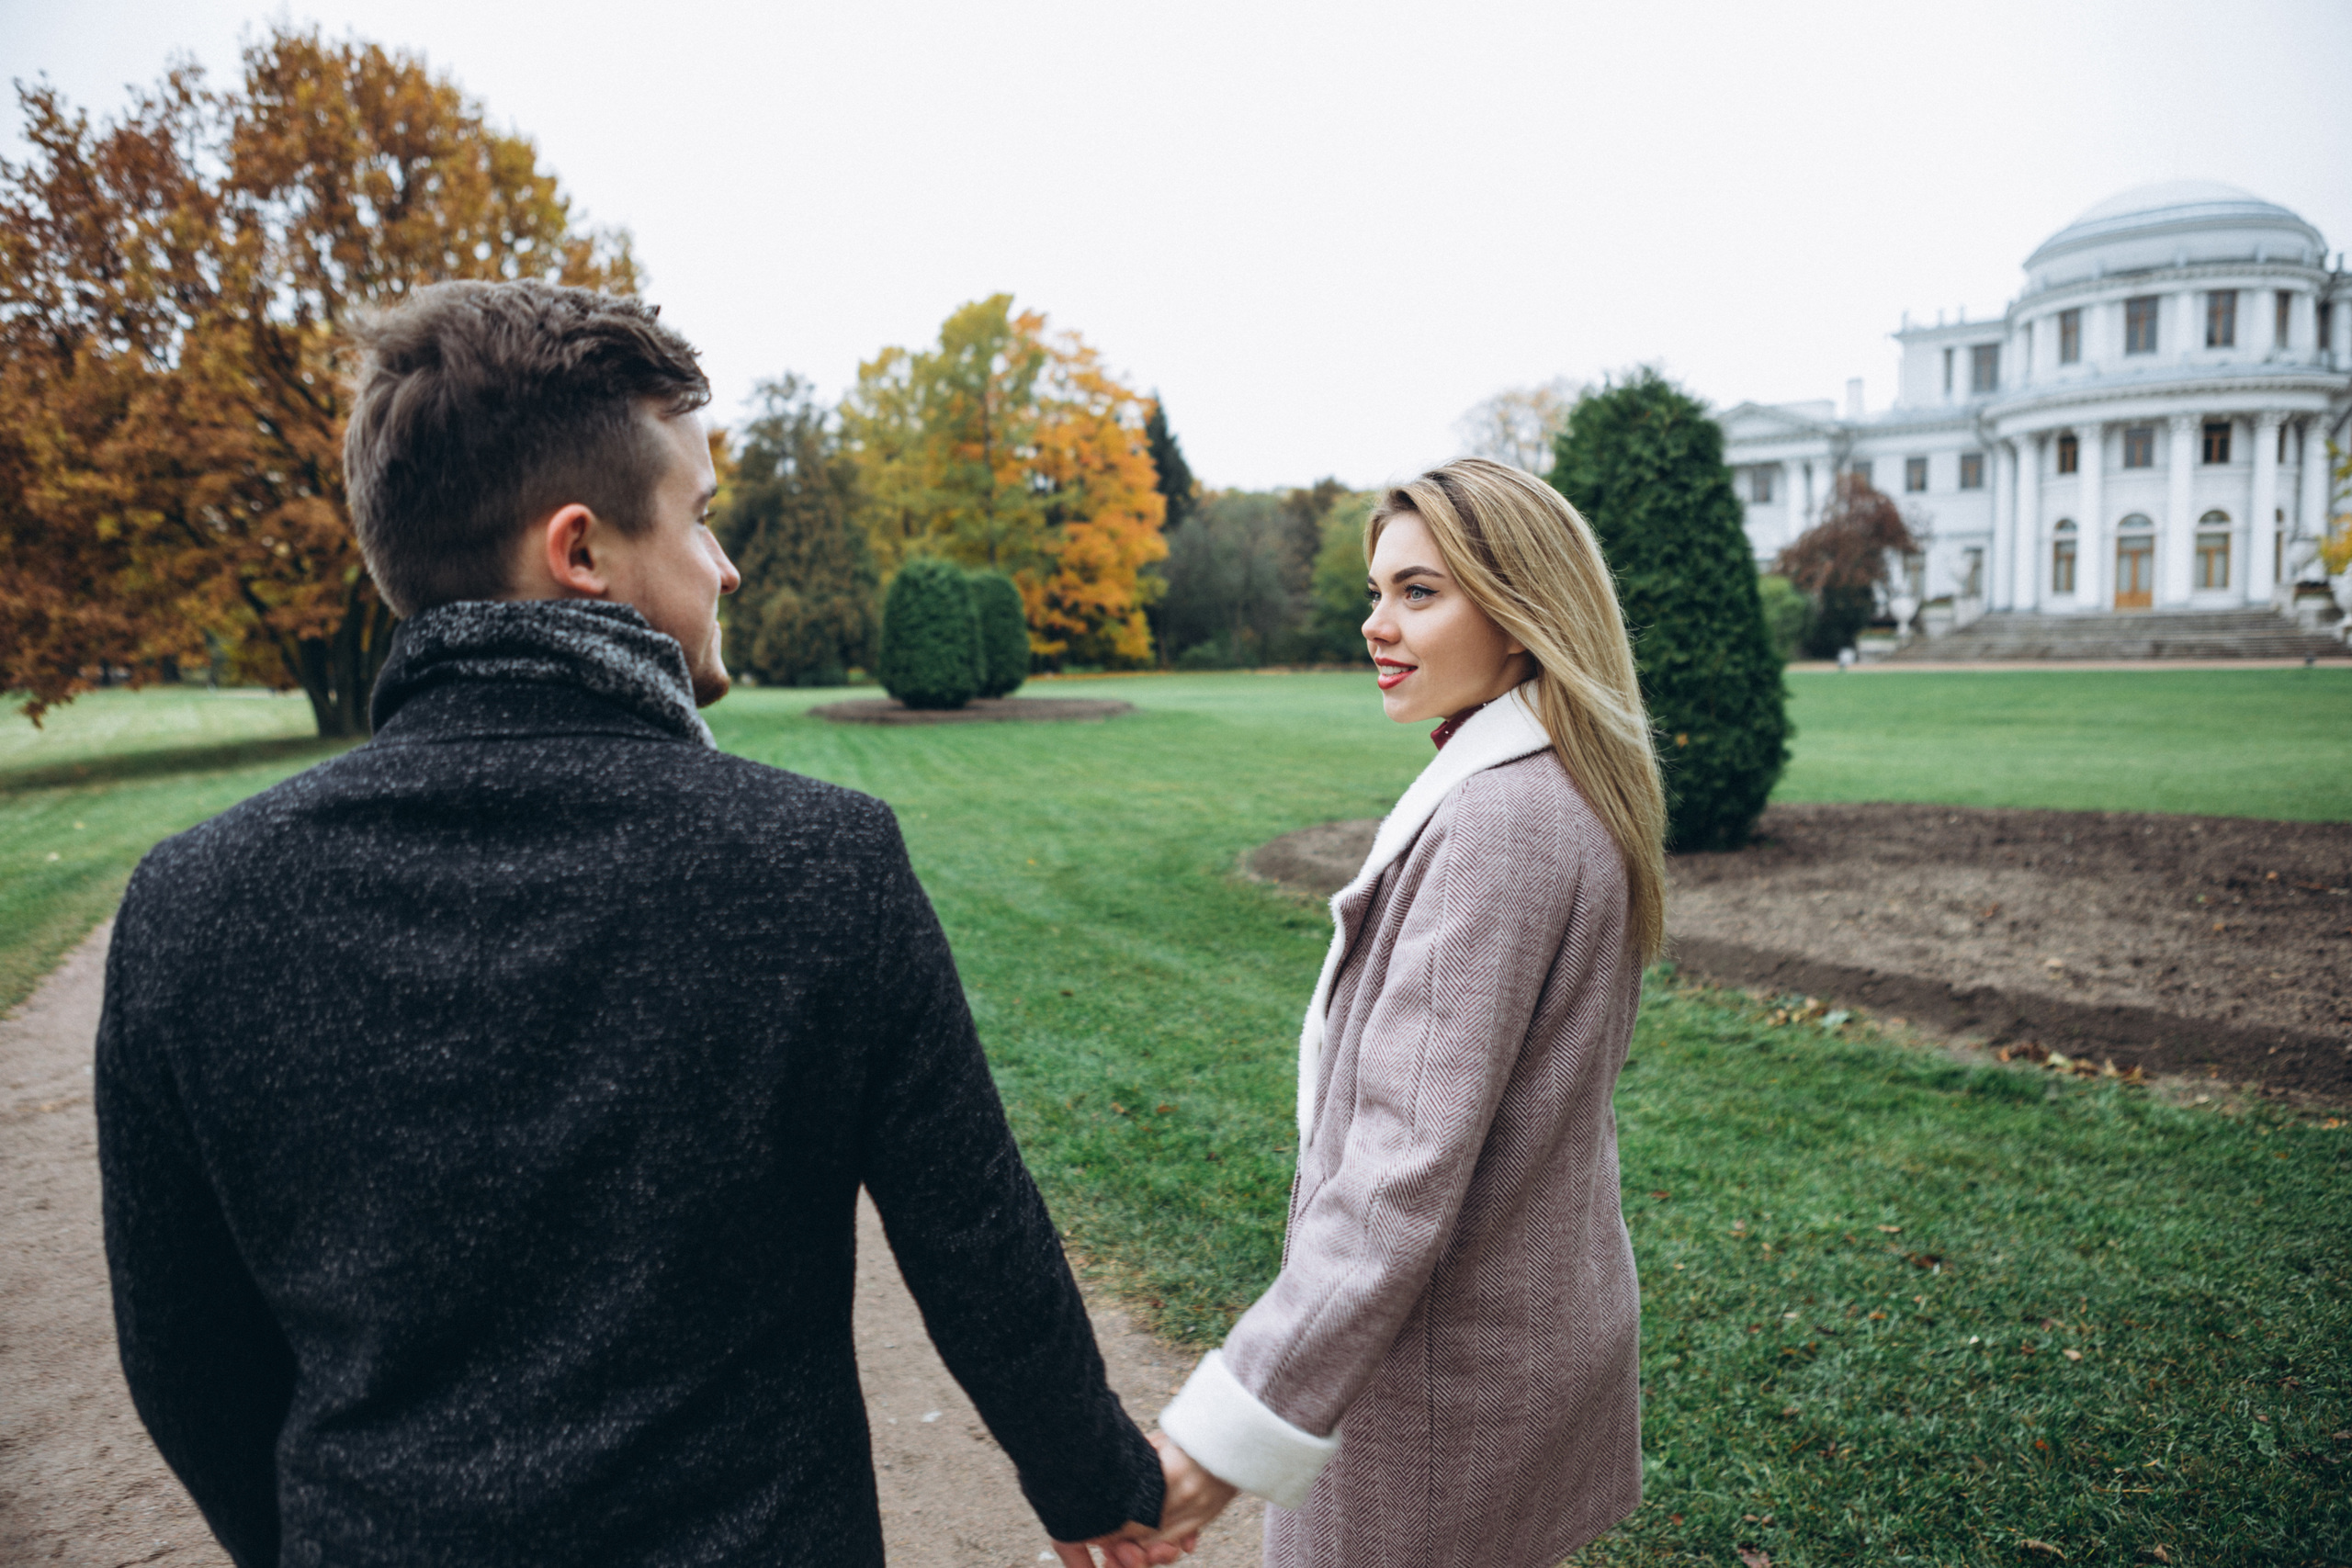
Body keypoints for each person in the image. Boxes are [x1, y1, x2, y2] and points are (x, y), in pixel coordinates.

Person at [95, 279, 1178, 1568]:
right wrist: (1099, 1485)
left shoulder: (192, 904)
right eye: (703, 517)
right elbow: (977, 1245)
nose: (725, 564)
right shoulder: (816, 863)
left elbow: (184, 1356)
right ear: (583, 552)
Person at [1147, 457, 1668, 1566]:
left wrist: (1228, 1431)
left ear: (1524, 613)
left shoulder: (1502, 824)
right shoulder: (1560, 789)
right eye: (1376, 593)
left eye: (1419, 593)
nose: (1378, 626)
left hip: (1444, 1379)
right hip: (1520, 1342)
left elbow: (1398, 1172)